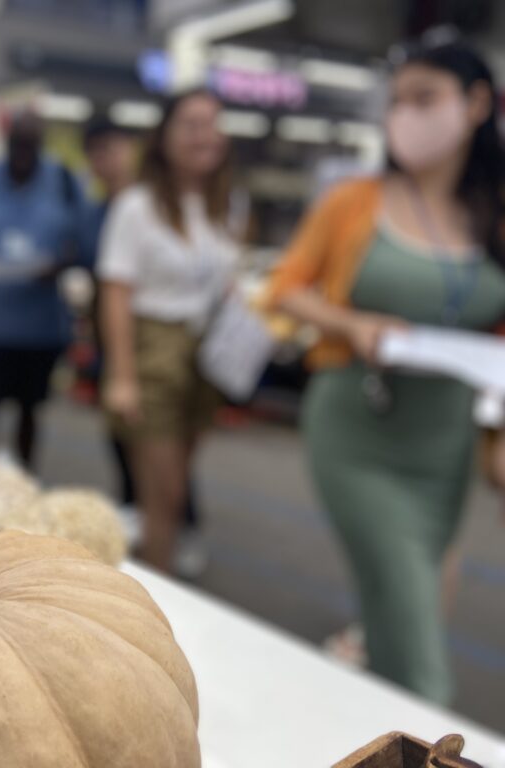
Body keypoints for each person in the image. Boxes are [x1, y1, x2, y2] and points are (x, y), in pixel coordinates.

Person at [268, 37, 505, 704]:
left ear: (478, 104)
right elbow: (285, 289)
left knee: (404, 602)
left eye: (425, 98)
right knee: (412, 622)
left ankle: (377, 729)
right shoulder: (355, 202)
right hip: (358, 431)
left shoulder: (493, 215)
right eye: (398, 101)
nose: (406, 115)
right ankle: (426, 734)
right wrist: (352, 325)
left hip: (446, 445)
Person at [98, 89, 241, 574]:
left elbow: (225, 280)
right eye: (193, 124)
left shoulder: (224, 204)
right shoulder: (136, 206)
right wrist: (121, 376)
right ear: (164, 136)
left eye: (214, 123)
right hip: (153, 349)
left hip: (206, 352)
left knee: (178, 485)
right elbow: (115, 293)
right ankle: (154, 600)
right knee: (162, 494)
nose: (207, 135)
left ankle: (155, 582)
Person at [0, 110, 84, 469]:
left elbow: (83, 243)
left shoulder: (65, 180)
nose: (23, 152)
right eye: (17, 143)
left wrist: (60, 264)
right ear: (7, 142)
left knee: (30, 413)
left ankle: (23, 480)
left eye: (30, 144)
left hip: (40, 327)